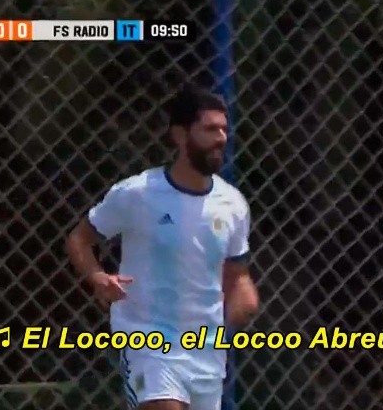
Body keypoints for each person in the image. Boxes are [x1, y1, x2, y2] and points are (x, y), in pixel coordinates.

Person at [65, 83, 259, 410]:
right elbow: (79, 240)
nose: (221, 138)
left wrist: (244, 300)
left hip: (206, 353)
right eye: (210, 129)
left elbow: (237, 275)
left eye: (224, 129)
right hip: (148, 343)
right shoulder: (137, 193)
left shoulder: (233, 204)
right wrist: (96, 277)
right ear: (180, 136)